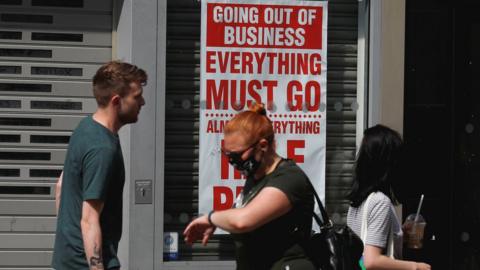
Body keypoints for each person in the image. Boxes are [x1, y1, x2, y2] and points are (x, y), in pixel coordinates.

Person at [184, 103, 315, 270]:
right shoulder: (255, 178)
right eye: (228, 154)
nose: (232, 161)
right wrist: (220, 222)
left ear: (262, 146)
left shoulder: (289, 179)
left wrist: (212, 218)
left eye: (237, 154)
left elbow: (243, 220)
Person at [52, 61, 147, 270]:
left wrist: (68, 238)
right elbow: (89, 220)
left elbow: (61, 185)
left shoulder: (85, 128)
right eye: (136, 96)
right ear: (116, 101)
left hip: (68, 260)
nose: (143, 102)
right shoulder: (102, 148)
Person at [347, 125, 431, 270]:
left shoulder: (359, 200)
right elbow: (371, 261)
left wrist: (399, 234)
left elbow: (363, 246)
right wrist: (416, 267)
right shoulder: (380, 202)